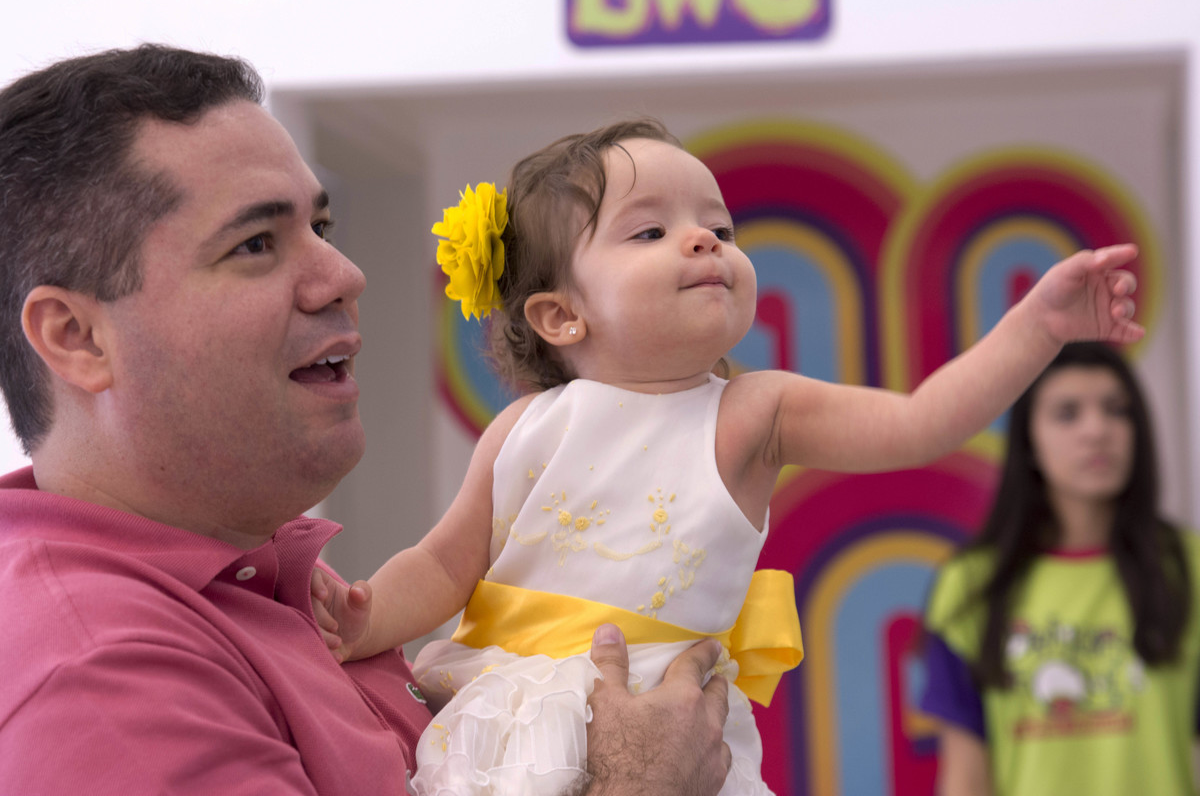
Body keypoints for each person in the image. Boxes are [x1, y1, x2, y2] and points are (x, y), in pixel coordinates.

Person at [309, 118, 1145, 795]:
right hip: (509, 712)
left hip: (671, 732)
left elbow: (922, 423)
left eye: (719, 227)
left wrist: (1037, 328)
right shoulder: (528, 425)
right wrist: (365, 613)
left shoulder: (753, 411)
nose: (704, 242)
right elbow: (446, 561)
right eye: (651, 230)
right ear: (562, 316)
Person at [0, 45, 735, 796]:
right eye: (255, 244)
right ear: (75, 337)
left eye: (321, 226)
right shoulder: (101, 673)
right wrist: (639, 782)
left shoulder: (268, 579)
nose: (343, 275)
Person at [920, 341, 1200, 796]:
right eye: (1068, 413)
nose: (1097, 430)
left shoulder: (1188, 566)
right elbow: (964, 776)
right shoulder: (971, 584)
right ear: (1029, 440)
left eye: (1117, 410)